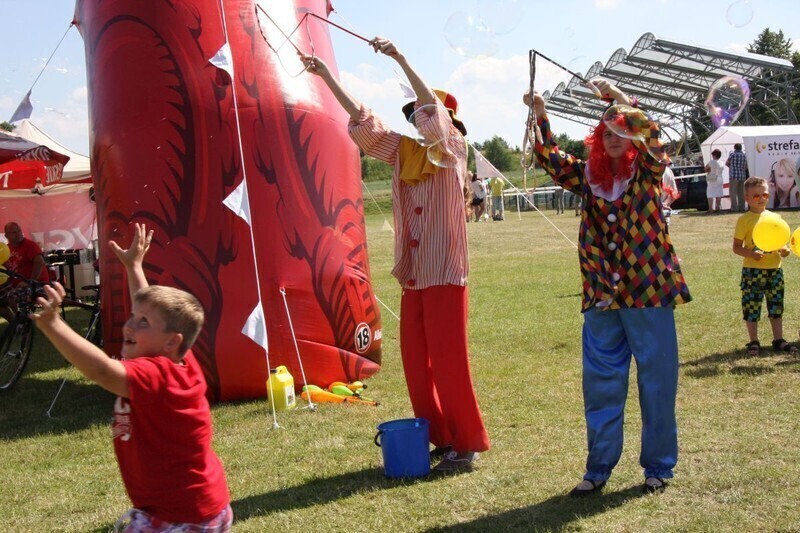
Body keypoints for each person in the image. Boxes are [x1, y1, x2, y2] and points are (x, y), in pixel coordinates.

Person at [300, 39, 490, 472]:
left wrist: (401, 58)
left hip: (444, 273)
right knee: (416, 364)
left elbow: (436, 118)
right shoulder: (406, 155)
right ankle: (441, 437)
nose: (418, 123)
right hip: (414, 275)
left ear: (447, 123)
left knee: (449, 360)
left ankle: (467, 442)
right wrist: (326, 75)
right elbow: (365, 126)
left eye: (426, 116)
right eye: (415, 118)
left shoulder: (453, 153)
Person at [525, 80, 691, 496]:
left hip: (649, 290)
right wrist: (541, 113)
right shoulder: (588, 177)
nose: (614, 138)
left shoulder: (650, 167)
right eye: (607, 133)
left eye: (621, 132)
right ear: (597, 141)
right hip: (601, 295)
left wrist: (619, 100)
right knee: (601, 384)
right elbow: (547, 156)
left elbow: (653, 135)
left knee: (657, 382)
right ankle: (597, 470)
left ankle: (658, 467)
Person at [30, 223, 232, 531]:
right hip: (180, 506)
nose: (129, 326)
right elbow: (146, 300)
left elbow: (100, 370)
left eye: (142, 323)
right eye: (132, 317)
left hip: (183, 514)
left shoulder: (158, 373)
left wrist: (53, 326)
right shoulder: (176, 356)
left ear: (171, 341)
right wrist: (133, 265)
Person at [732, 177, 798, 357]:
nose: (761, 198)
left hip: (775, 270)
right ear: (746, 197)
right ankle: (753, 341)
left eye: (765, 194)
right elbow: (736, 247)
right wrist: (752, 254)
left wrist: (784, 250)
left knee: (776, 305)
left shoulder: (775, 217)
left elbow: (780, 243)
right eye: (756, 196)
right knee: (752, 306)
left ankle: (779, 339)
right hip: (753, 272)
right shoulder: (744, 220)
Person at [0, 222, 49, 323]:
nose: (18, 234)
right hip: (16, 285)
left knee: (11, 296)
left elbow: (39, 263)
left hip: (37, 284)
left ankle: (23, 323)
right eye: (14, 232)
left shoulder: (30, 245)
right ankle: (15, 323)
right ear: (6, 235)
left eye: (19, 231)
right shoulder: (6, 249)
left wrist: (30, 281)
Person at [726, 143, 748, 212]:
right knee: (741, 193)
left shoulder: (732, 155)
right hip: (742, 176)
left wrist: (732, 167)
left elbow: (727, 163)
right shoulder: (744, 156)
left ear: (734, 148)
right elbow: (746, 167)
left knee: (733, 193)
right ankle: (742, 207)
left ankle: (734, 208)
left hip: (734, 176)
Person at [705, 149, 724, 214]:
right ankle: (717, 207)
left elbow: (706, 168)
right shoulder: (722, 162)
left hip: (712, 176)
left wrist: (709, 171)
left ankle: (710, 209)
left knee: (709, 193)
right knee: (718, 193)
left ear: (715, 155)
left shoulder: (712, 162)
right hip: (720, 177)